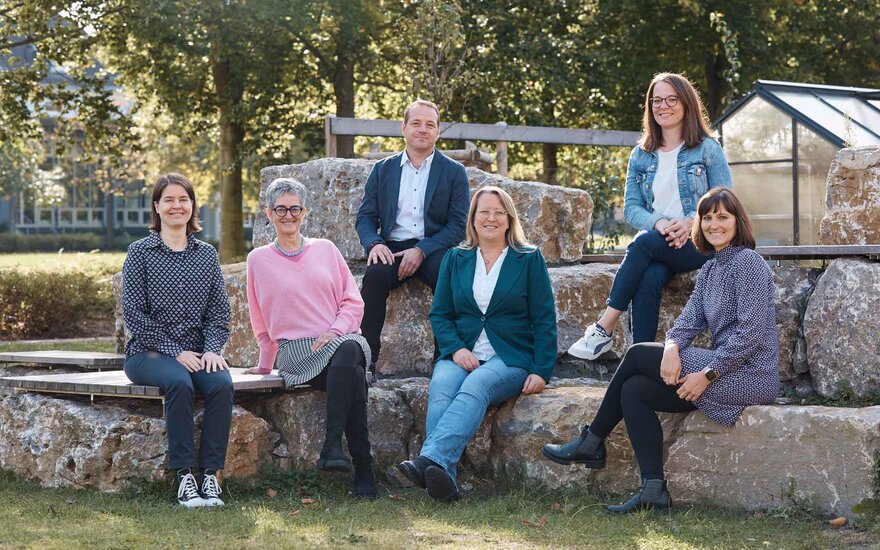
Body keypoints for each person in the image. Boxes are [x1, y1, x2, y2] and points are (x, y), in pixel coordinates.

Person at [542, 187, 779, 513]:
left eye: (723, 217)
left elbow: (750, 336)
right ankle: (653, 490)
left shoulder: (748, 263)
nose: (714, 224)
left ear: (738, 222)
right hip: (725, 371)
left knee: (638, 354)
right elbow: (685, 324)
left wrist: (707, 375)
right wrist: (671, 347)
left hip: (750, 373)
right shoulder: (710, 269)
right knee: (634, 389)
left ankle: (592, 440)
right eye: (707, 217)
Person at [397, 186, 557, 502]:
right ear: (472, 219)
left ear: (509, 219)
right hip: (462, 350)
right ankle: (444, 481)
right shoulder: (456, 258)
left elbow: (544, 318)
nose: (491, 218)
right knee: (441, 386)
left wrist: (542, 370)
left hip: (509, 356)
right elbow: (440, 314)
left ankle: (429, 460)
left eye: (498, 212)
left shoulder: (528, 259)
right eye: (484, 211)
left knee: (477, 385)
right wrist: (456, 348)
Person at [568, 72, 733, 360]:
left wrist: (690, 222)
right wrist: (659, 223)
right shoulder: (641, 155)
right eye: (657, 100)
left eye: (671, 99)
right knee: (649, 277)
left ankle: (603, 328)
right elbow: (632, 208)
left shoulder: (708, 149)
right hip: (662, 245)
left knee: (643, 243)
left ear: (686, 104)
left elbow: (725, 202)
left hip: (700, 243)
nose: (663, 106)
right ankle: (639, 361)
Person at [244, 178, 377, 499]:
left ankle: (332, 445)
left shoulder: (326, 249)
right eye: (280, 209)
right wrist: (265, 363)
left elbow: (352, 301)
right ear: (269, 213)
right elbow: (258, 316)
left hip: (339, 339)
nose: (288, 215)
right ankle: (363, 469)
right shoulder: (257, 260)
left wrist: (335, 329)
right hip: (298, 354)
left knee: (348, 349)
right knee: (355, 377)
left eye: (295, 208)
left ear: (304, 212)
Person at [121, 173, 233, 508]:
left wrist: (212, 349)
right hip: (147, 353)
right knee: (180, 384)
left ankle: (210, 477)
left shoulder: (206, 255)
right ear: (157, 207)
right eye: (168, 200)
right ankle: (184, 477)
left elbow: (219, 311)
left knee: (222, 385)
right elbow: (134, 314)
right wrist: (174, 351)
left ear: (192, 206)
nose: (176, 206)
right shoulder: (140, 253)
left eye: (183, 199)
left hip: (198, 352)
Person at [355, 99, 471, 376]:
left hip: (435, 246)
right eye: (416, 123)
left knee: (450, 276)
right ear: (404, 128)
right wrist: (375, 243)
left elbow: (457, 225)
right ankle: (365, 363)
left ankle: (444, 359)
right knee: (373, 279)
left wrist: (421, 250)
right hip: (391, 247)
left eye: (430, 124)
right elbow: (365, 217)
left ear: (438, 131)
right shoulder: (383, 169)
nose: (423, 129)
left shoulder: (454, 172)